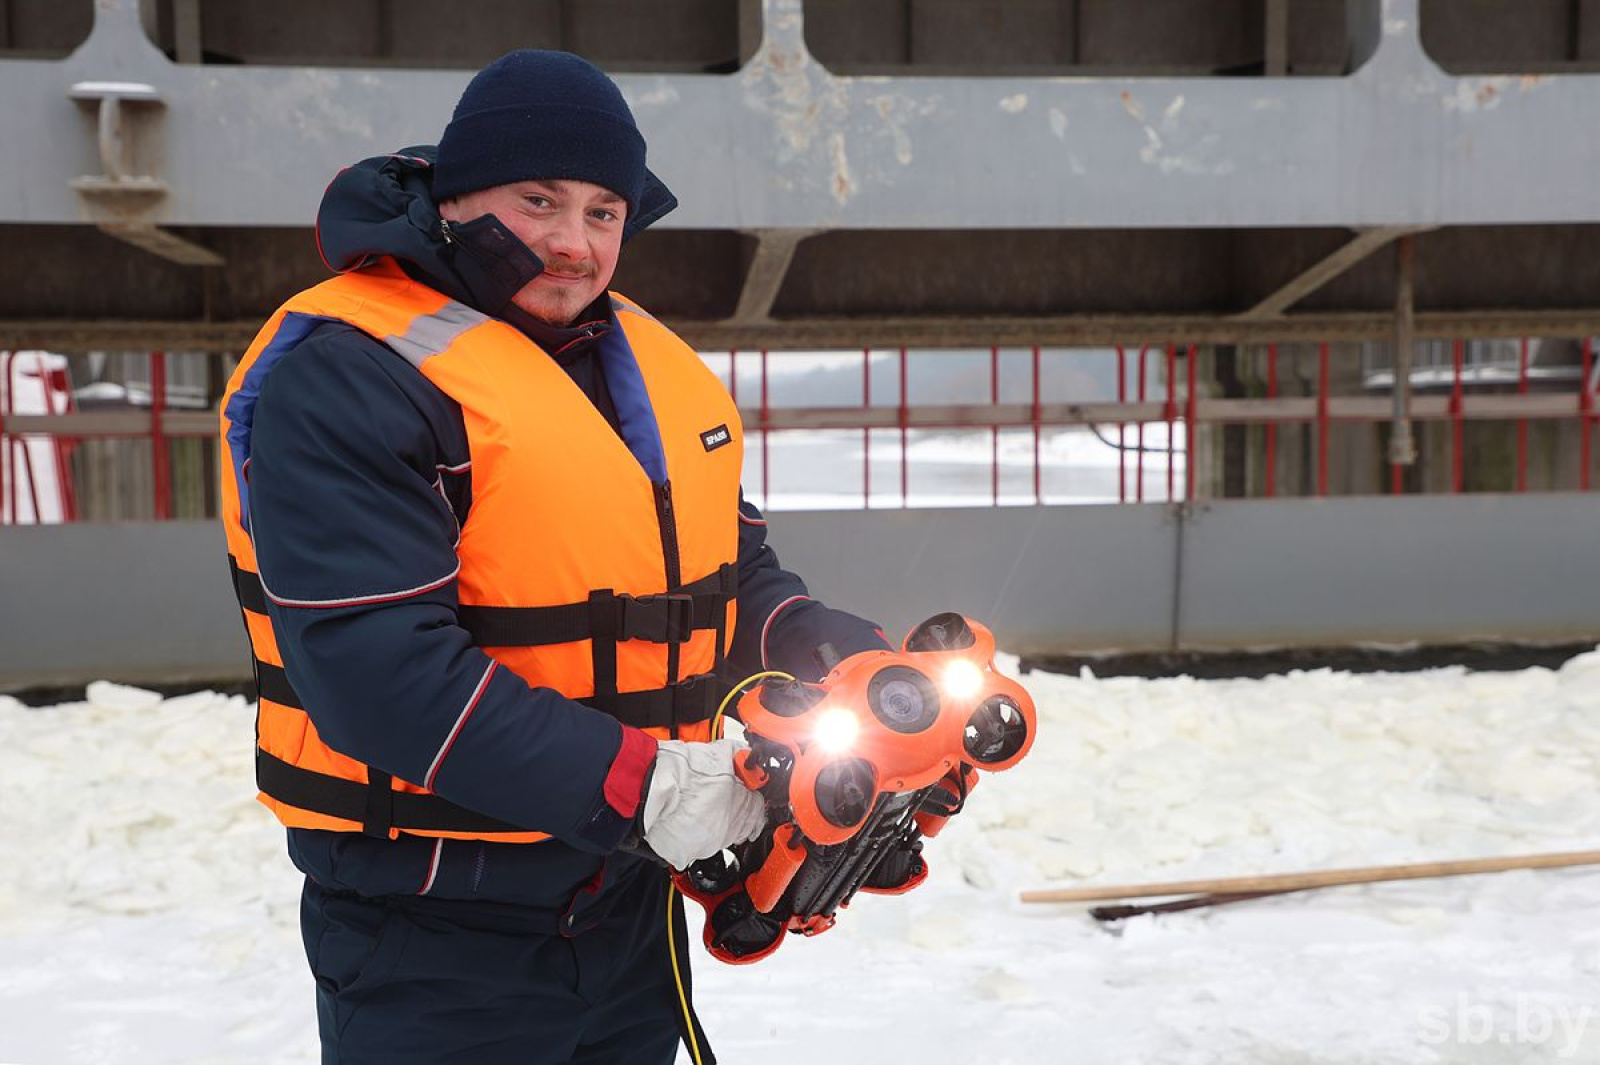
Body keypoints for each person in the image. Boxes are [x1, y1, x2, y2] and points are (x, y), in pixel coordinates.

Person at [218, 50, 891, 1065]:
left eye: (602, 212)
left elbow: (726, 567)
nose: (571, 244)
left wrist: (813, 640)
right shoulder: (350, 375)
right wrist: (649, 787)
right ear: (458, 194)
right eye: (539, 201)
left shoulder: (636, 364)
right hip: (435, 932)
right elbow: (377, 672)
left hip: (624, 906)